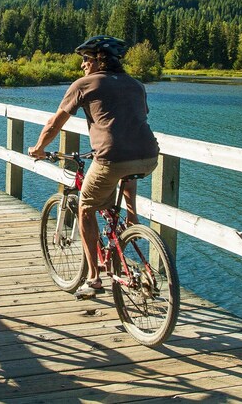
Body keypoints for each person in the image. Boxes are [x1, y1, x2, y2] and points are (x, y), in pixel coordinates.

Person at [28, 35, 159, 299]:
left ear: (99, 60)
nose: (82, 66)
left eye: (86, 59)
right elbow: (134, 121)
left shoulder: (84, 85)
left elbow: (55, 123)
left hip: (111, 157)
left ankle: (93, 278)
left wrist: (39, 148)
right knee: (123, 173)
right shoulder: (136, 85)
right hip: (148, 155)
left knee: (86, 206)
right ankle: (131, 222)